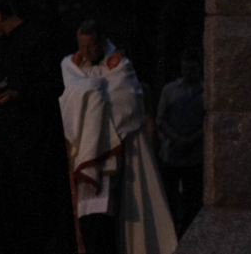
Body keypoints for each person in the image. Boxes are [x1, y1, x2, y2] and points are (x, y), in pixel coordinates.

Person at [0, 0, 76, 254]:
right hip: (5, 144)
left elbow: (53, 86)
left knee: (29, 213)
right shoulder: (1, 46)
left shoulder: (38, 39)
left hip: (33, 146)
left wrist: (19, 95)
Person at [59, 20, 176, 254]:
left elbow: (128, 104)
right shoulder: (71, 66)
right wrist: (93, 91)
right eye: (80, 46)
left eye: (90, 46)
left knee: (102, 222)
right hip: (78, 152)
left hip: (106, 156)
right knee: (79, 222)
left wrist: (89, 96)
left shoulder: (120, 67)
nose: (84, 52)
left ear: (101, 43)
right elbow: (66, 100)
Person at [157, 47, 204, 239]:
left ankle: (187, 234)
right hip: (172, 154)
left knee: (193, 199)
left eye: (191, 68)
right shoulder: (170, 91)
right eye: (185, 68)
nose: (188, 72)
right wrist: (176, 139)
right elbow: (161, 120)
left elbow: (208, 122)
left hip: (194, 156)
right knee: (169, 196)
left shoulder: (205, 92)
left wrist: (190, 140)